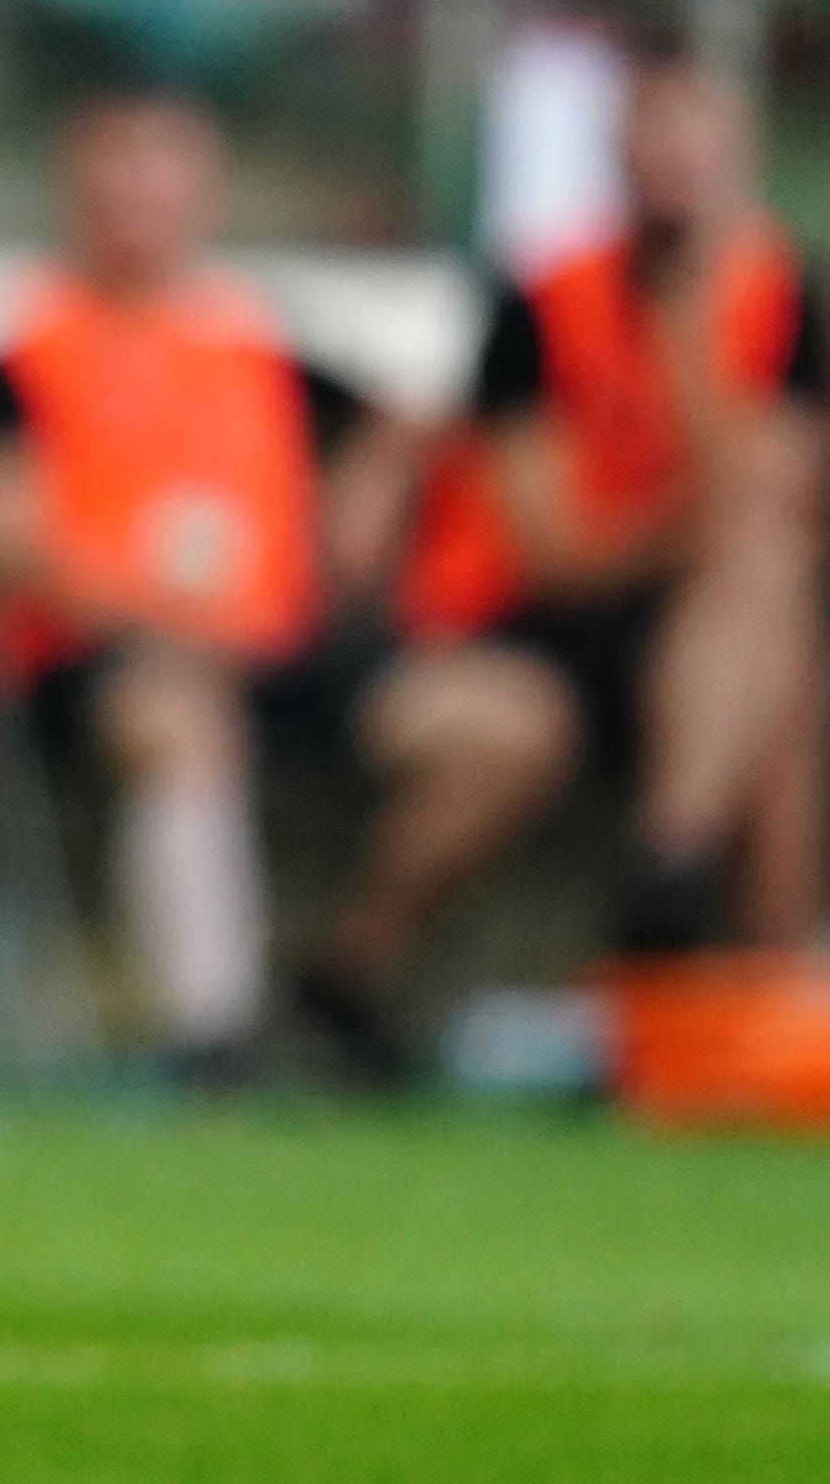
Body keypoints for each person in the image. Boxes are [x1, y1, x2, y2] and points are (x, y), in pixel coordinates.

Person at [308, 53, 829, 1043]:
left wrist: (685, 357)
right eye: (655, 135)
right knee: (765, 638)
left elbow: (775, 496)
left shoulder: (780, 298)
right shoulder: (540, 304)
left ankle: (691, 904)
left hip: (696, 639)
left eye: (699, 138)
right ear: (617, 151)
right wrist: (701, 516)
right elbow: (552, 547)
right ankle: (720, 951)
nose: (676, 164)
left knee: (773, 643)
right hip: (525, 625)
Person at [0, 92, 408, 1086]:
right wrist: (172, 622)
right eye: (119, 167)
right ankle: (214, 1034)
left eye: (163, 167)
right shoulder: (25, 349)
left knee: (481, 726)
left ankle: (349, 981)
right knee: (176, 723)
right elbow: (1, 541)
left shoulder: (254, 340)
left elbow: (395, 425)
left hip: (274, 655)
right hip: (95, 666)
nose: (138, 193)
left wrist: (352, 516)